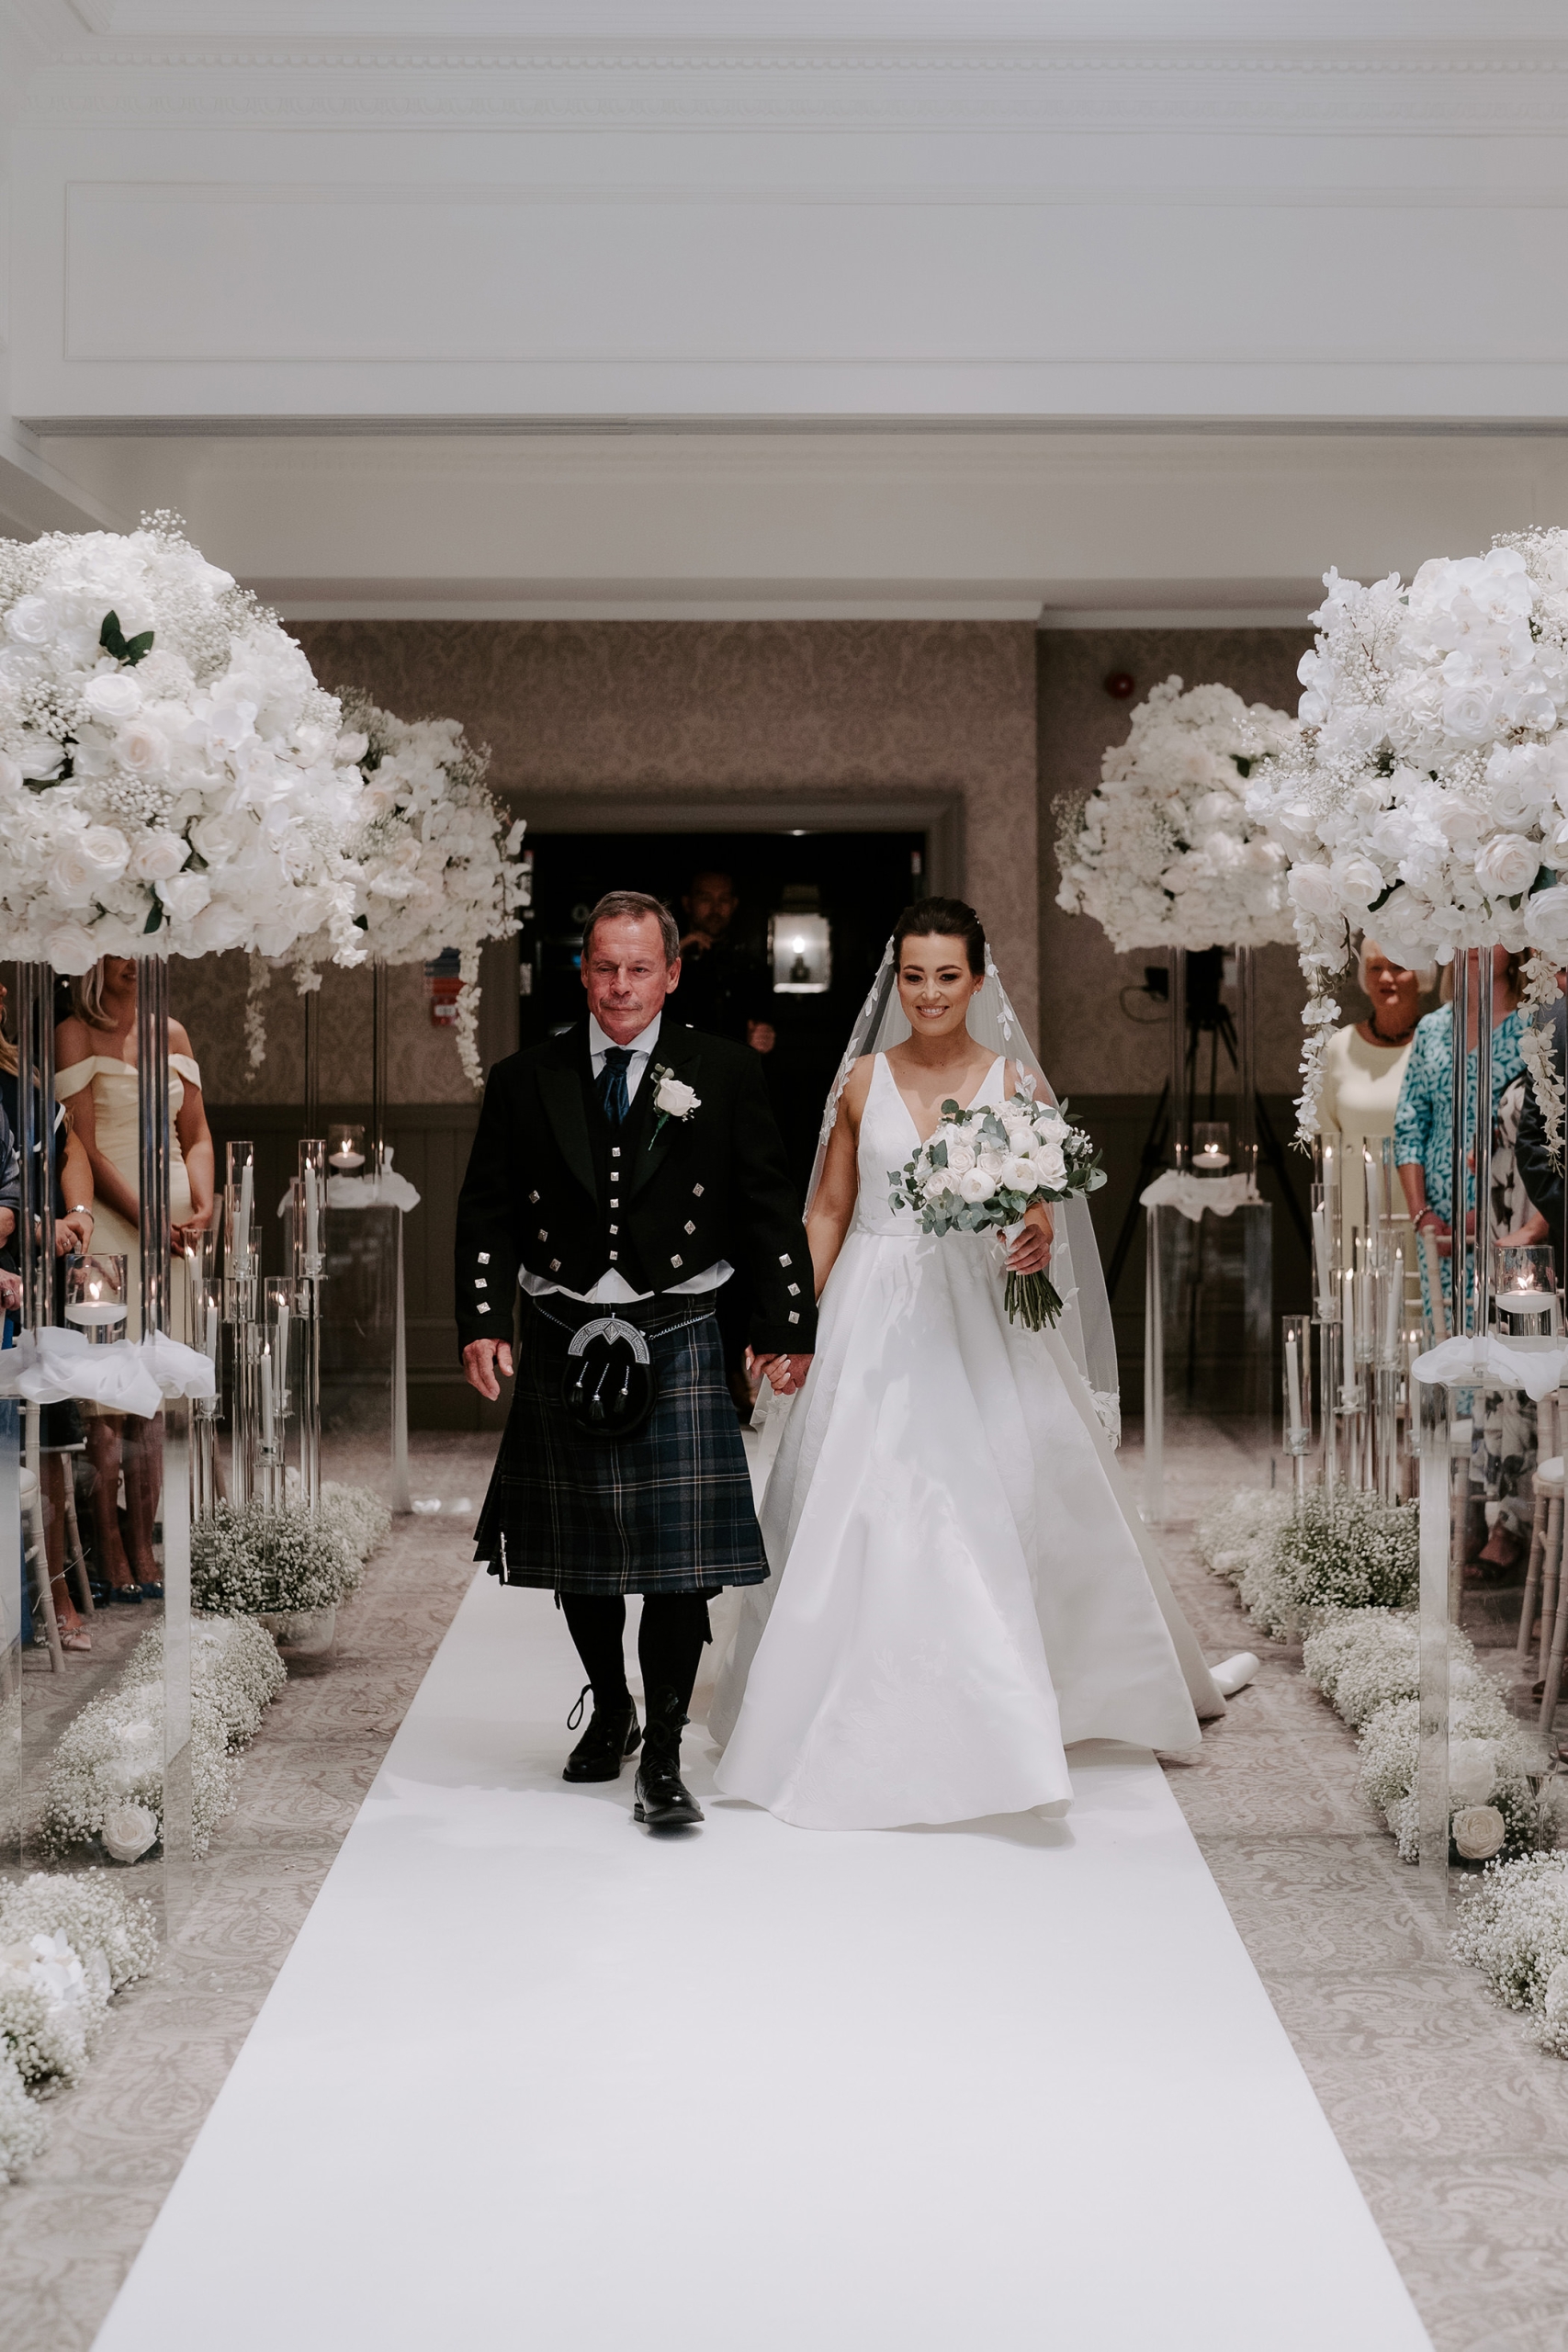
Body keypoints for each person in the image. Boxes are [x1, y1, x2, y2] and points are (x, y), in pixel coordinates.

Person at [709, 897, 1224, 1832]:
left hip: (979, 1311)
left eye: (947, 976)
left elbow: (1041, 1204)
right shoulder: (861, 1079)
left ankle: (1016, 1692)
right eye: (914, 976)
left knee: (1002, 1493)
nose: (930, 993)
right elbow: (829, 1210)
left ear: (977, 981)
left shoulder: (1013, 1083)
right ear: (895, 981)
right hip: (873, 1308)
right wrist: (788, 1317)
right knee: (859, 1499)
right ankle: (852, 1699)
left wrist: (1033, 1236)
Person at [456, 888, 816, 1833]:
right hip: (564, 1328)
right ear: (584, 972)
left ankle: (661, 1751)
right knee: (584, 1554)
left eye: (640, 968)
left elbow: (767, 1201)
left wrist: (785, 1320)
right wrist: (483, 1317)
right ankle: (610, 1702)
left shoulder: (723, 1071)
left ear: (672, 974)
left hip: (679, 1326)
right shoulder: (525, 1077)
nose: (621, 986)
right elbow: (487, 1208)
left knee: (678, 1565)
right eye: (606, 967)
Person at [55, 957, 214, 1600]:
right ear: (93, 960)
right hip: (111, 1232)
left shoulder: (172, 1033)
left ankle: (146, 1542)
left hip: (175, 1239)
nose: (132, 963)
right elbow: (83, 1146)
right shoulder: (74, 1032)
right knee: (108, 1400)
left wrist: (203, 1204)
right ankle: (109, 1545)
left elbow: (196, 1134)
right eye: (117, 949)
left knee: (159, 1392)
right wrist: (145, 1219)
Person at [0, 975, 97, 1649]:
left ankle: (56, 1593)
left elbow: (72, 1151)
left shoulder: (23, 1085)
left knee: (51, 1442)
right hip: (15, 1272)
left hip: (37, 1290)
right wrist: (44, 1228)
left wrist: (79, 1213)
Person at [1395, 946, 1526, 1331]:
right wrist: (1422, 1215)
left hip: (1508, 1212)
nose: (1477, 942)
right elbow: (1409, 1124)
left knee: (1502, 1338)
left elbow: (1540, 1131)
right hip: (1437, 1224)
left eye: (1492, 932)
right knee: (1444, 1336)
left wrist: (1486, 1216)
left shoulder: (1534, 1026)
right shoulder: (1432, 1028)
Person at [1316, 938, 1433, 1270]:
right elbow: (1324, 1140)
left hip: (1426, 1210)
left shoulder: (1440, 1044)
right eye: (1375, 968)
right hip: (1355, 1216)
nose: (1385, 978)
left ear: (1421, 975)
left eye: (1397, 966)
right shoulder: (1337, 1048)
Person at [675, 870, 776, 1055]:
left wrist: (763, 1037)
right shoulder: (668, 961)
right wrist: (672, 958)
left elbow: (765, 1023)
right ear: (688, 903)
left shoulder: (752, 968)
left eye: (723, 899)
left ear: (734, 904)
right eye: (705, 899)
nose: (715, 909)